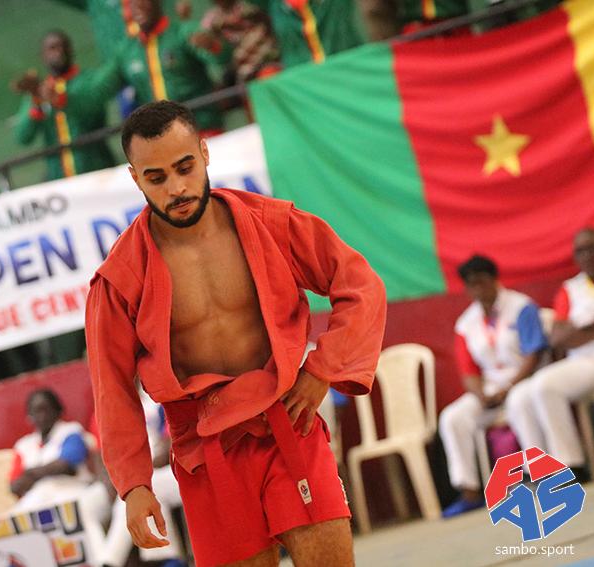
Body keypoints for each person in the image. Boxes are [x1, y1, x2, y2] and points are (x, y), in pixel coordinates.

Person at [85, 101, 386, 566]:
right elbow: (112, 385)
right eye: (156, 178)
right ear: (135, 178)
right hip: (204, 454)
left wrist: (322, 369)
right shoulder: (120, 277)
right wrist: (134, 484)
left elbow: (360, 285)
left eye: (185, 167)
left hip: (288, 423)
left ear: (205, 153)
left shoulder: (272, 223)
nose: (176, 188)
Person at [438, 255, 547, 517]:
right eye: (471, 284)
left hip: (524, 379)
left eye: (482, 281)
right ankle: (469, 490)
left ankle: (540, 475)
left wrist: (509, 387)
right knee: (453, 417)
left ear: (494, 279)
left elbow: (534, 353)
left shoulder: (521, 307)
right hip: (490, 389)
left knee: (519, 401)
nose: (478, 288)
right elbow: (468, 371)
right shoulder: (466, 323)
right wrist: (480, 395)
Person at [507, 228, 594, 484]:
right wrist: (591, 327)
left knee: (546, 385)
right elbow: (558, 337)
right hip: (581, 362)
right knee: (520, 396)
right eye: (580, 251)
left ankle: (571, 464)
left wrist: (577, 328)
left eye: (591, 248)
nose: (586, 255)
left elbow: (567, 333)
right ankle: (540, 469)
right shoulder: (571, 289)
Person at [10, 389, 109, 560]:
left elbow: (66, 465)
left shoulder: (71, 431)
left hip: (73, 490)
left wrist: (31, 473)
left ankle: (103, 561)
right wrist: (44, 471)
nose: (41, 416)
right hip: (38, 497)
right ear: (29, 416)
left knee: (78, 514)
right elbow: (14, 485)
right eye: (36, 411)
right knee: (14, 522)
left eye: (45, 409)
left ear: (58, 410)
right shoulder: (24, 445)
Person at [97, 387, 186, 567]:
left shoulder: (160, 389)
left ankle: (110, 562)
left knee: (143, 487)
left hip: (179, 467)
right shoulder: (116, 398)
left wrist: (136, 472)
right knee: (137, 491)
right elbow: (105, 451)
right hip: (150, 474)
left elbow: (173, 441)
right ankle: (167, 562)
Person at [13, 30, 118, 181]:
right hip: (60, 181)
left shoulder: (88, 80)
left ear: (71, 50)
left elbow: (93, 105)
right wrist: (37, 104)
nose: (59, 52)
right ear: (42, 56)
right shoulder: (38, 93)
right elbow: (23, 137)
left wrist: (59, 98)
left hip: (98, 172)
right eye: (52, 48)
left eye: (63, 46)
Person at [119, 0, 230, 135]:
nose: (138, 6)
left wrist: (213, 45)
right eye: (131, 3)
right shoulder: (128, 50)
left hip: (203, 130)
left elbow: (223, 58)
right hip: (164, 138)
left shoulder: (182, 31)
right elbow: (102, 86)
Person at [199, 0, 282, 86]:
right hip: (237, 68)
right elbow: (215, 51)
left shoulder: (249, 7)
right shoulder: (211, 20)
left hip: (265, 60)